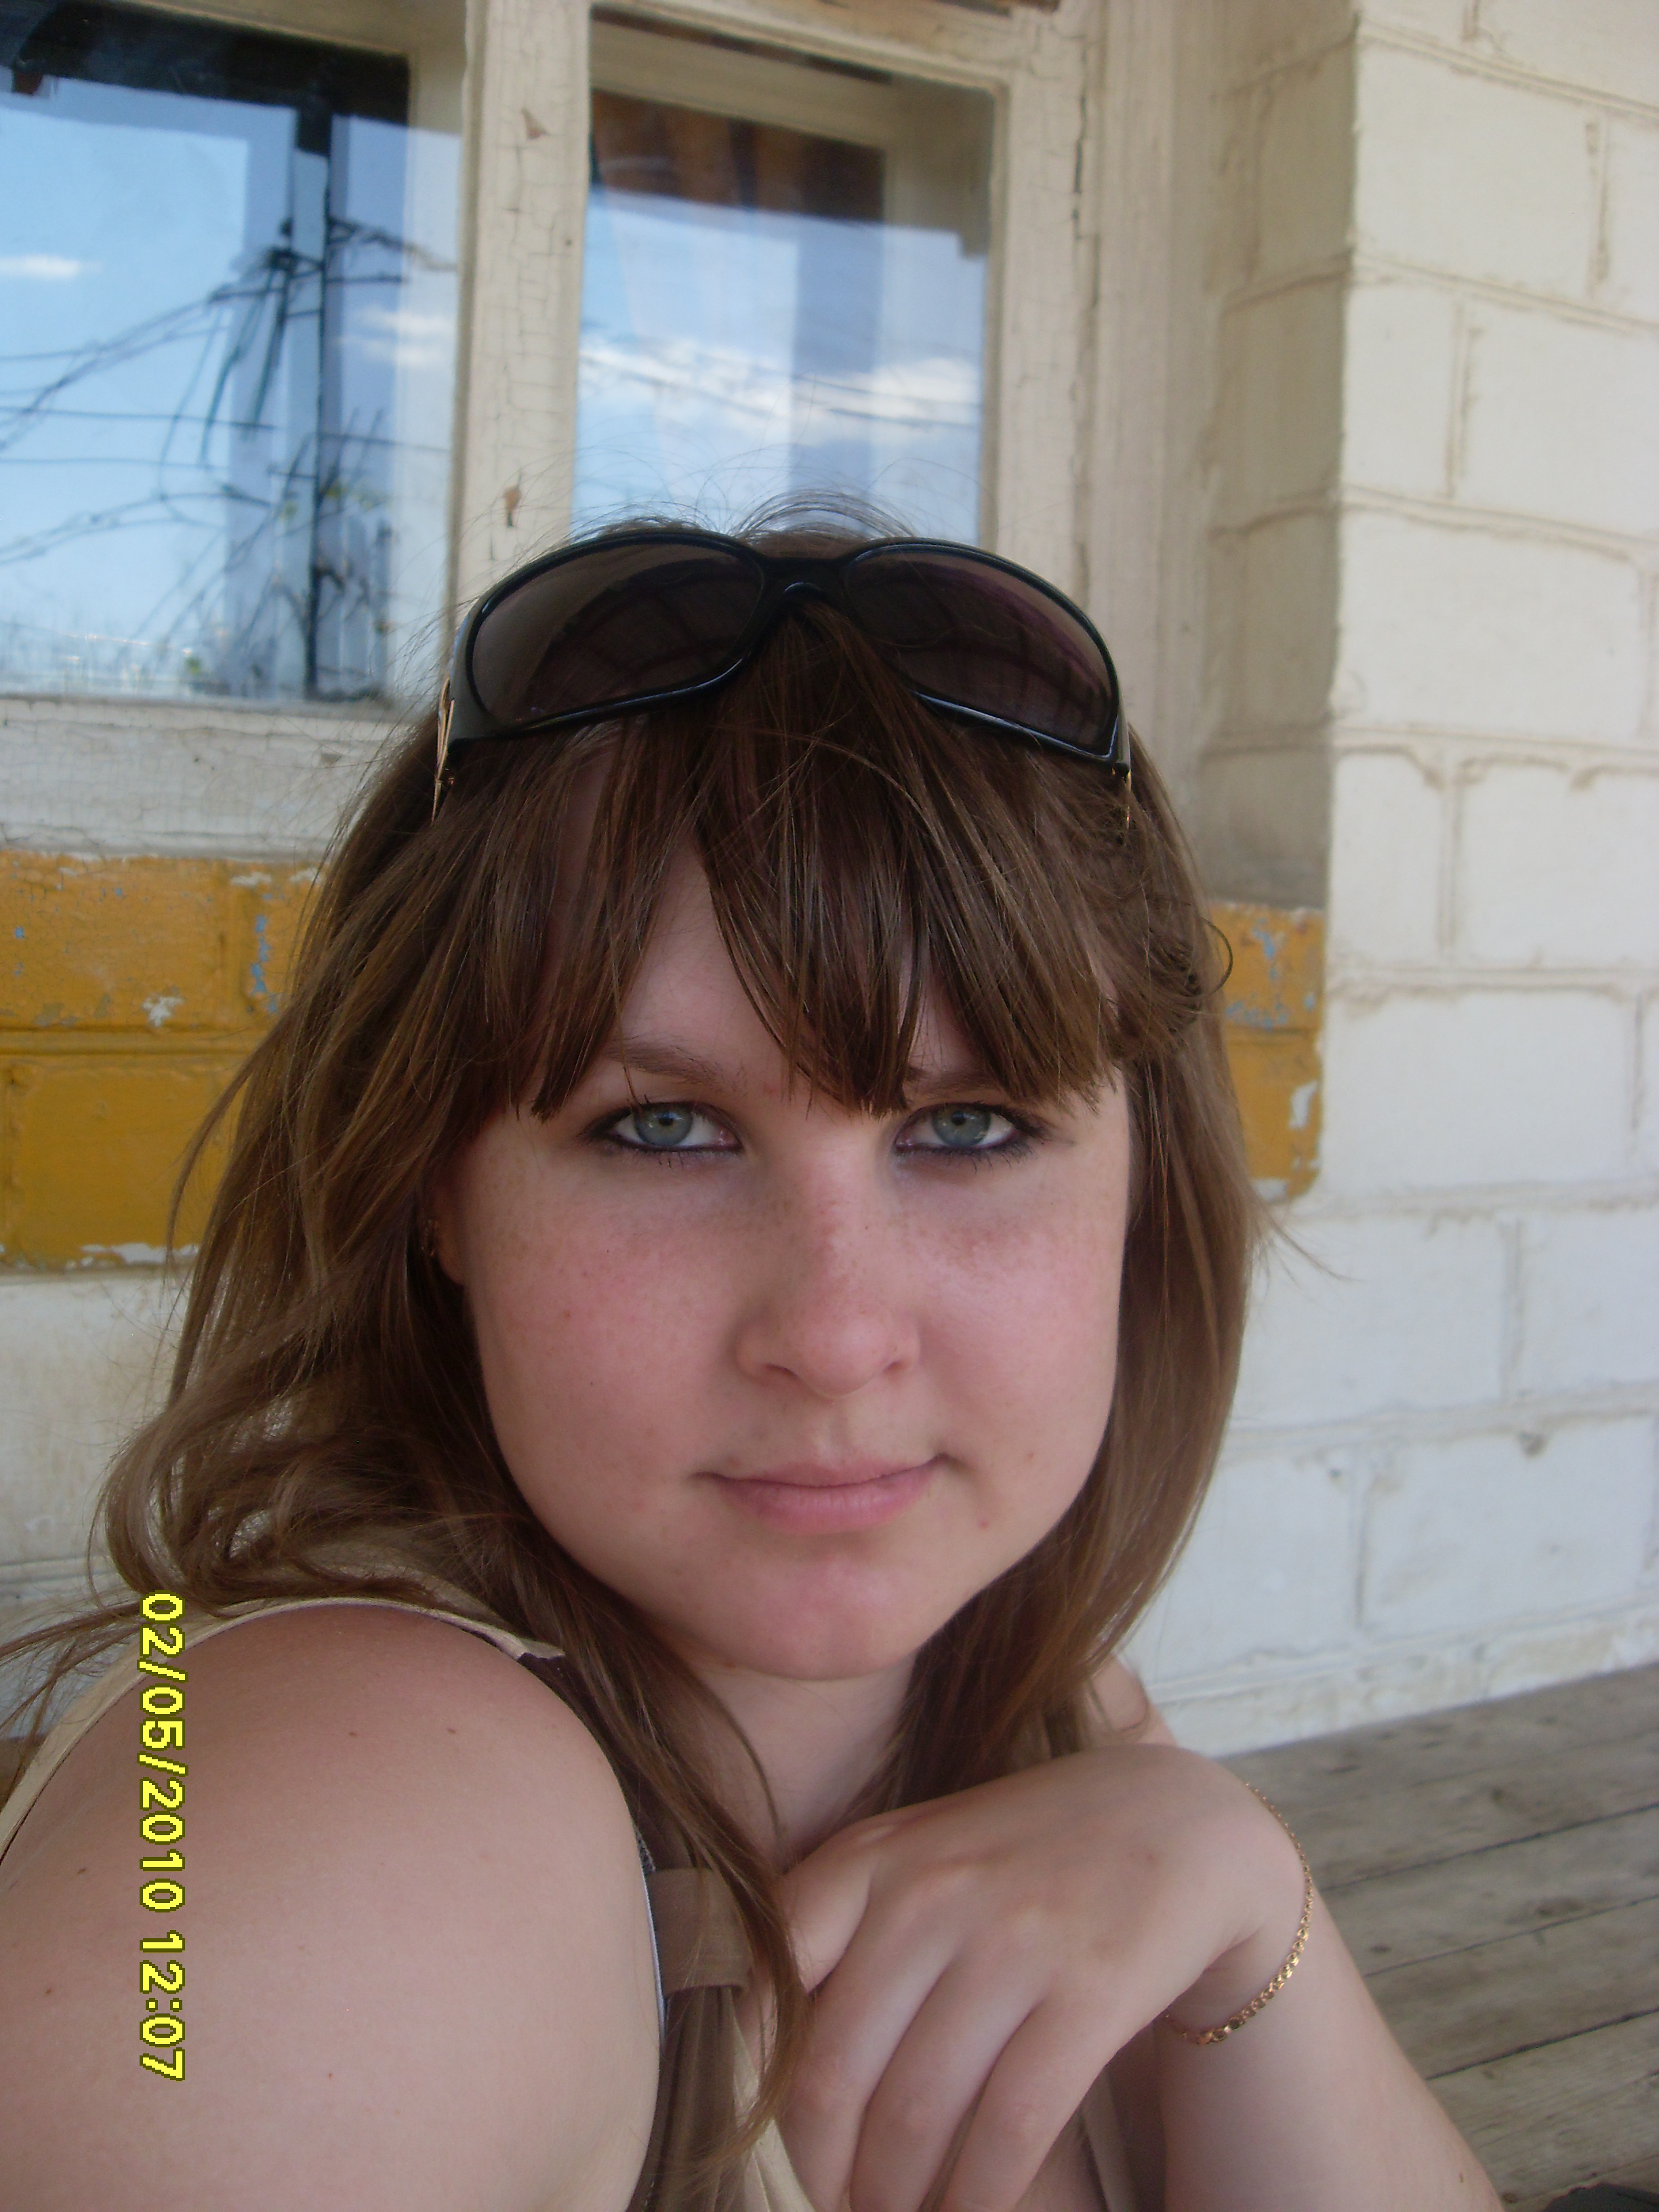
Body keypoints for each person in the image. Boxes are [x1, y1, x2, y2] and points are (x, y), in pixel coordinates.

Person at [0, 512, 1499, 2211]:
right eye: (660, 1127)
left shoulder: (1050, 1711)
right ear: (433, 1194)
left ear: (1146, 1186)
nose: (837, 1337)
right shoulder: (331, 1796)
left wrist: (1252, 1914)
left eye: (970, 1127)